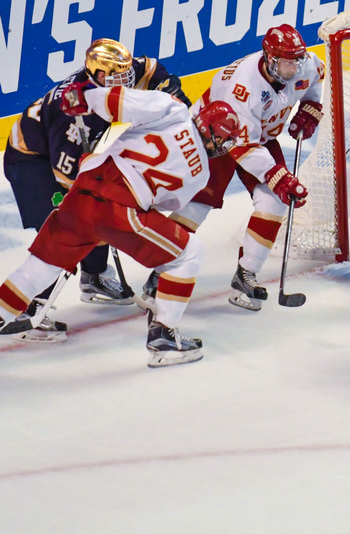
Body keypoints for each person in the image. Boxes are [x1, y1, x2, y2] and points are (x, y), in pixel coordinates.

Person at [0, 81, 241, 367]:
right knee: (187, 253)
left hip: (82, 192)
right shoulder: (200, 174)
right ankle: (163, 337)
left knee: (40, 266)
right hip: (120, 210)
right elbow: (161, 204)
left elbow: (118, 102)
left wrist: (86, 95)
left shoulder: (172, 108)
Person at [4, 38, 190, 317]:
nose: (129, 81)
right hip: (31, 161)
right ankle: (27, 309)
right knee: (63, 231)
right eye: (121, 77)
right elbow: (65, 175)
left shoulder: (113, 77)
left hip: (57, 150)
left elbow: (149, 68)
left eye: (127, 74)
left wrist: (168, 88)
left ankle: (94, 277)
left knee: (96, 216)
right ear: (101, 76)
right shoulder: (78, 113)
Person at [165, 23, 324, 311]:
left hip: (257, 137)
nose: (293, 68)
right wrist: (278, 177)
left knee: (276, 201)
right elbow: (240, 145)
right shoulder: (244, 87)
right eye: (286, 62)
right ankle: (161, 271)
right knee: (197, 206)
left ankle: (245, 274)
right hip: (215, 135)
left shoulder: (304, 64)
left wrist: (311, 107)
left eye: (296, 61)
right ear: (269, 59)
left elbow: (317, 78)